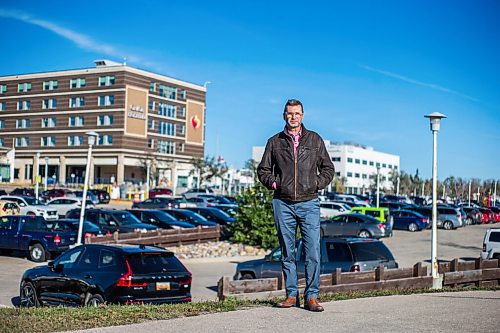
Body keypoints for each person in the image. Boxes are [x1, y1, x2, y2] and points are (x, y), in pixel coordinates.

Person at [257, 99, 335, 312]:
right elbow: (263, 170)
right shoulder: (274, 142)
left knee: (312, 252)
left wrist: (315, 183)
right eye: (290, 113)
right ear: (284, 115)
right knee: (287, 251)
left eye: (297, 113)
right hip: (282, 203)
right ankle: (291, 295)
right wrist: (276, 183)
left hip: (309, 203)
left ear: (303, 115)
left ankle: (312, 296)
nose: (293, 117)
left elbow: (328, 169)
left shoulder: (315, 140)